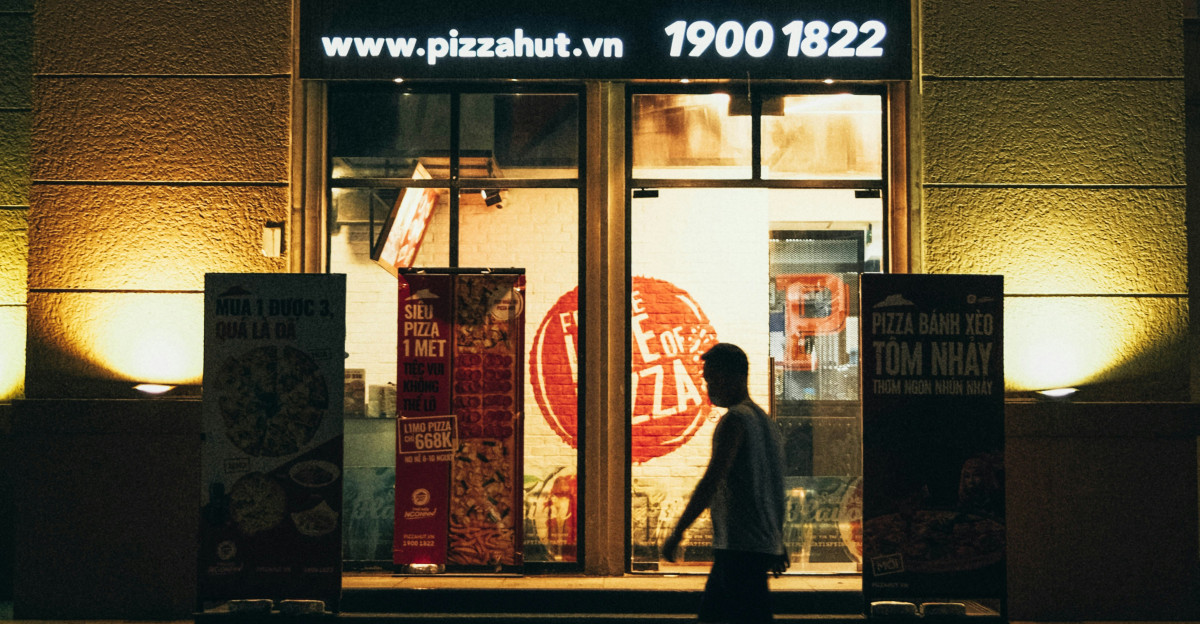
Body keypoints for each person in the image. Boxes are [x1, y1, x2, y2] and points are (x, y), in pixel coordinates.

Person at [663, 343, 789, 623]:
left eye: (710, 379)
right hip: (755, 546)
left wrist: (678, 531)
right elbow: (773, 489)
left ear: (728, 376)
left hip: (738, 548)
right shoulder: (765, 423)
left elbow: (712, 480)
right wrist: (777, 541)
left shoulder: (735, 421)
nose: (707, 388)